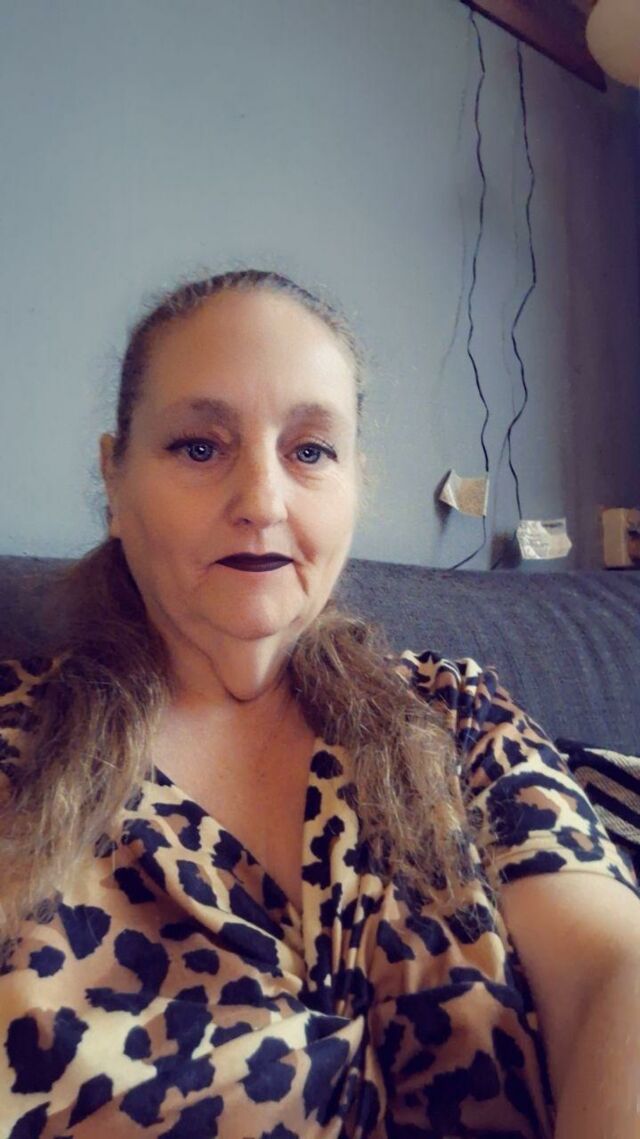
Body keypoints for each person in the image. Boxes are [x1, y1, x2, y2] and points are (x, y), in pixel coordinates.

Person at [0, 269, 638, 1139]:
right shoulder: (18, 746)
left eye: (309, 451)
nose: (262, 502)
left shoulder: (459, 715)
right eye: (199, 447)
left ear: (355, 482)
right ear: (115, 480)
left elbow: (613, 968)